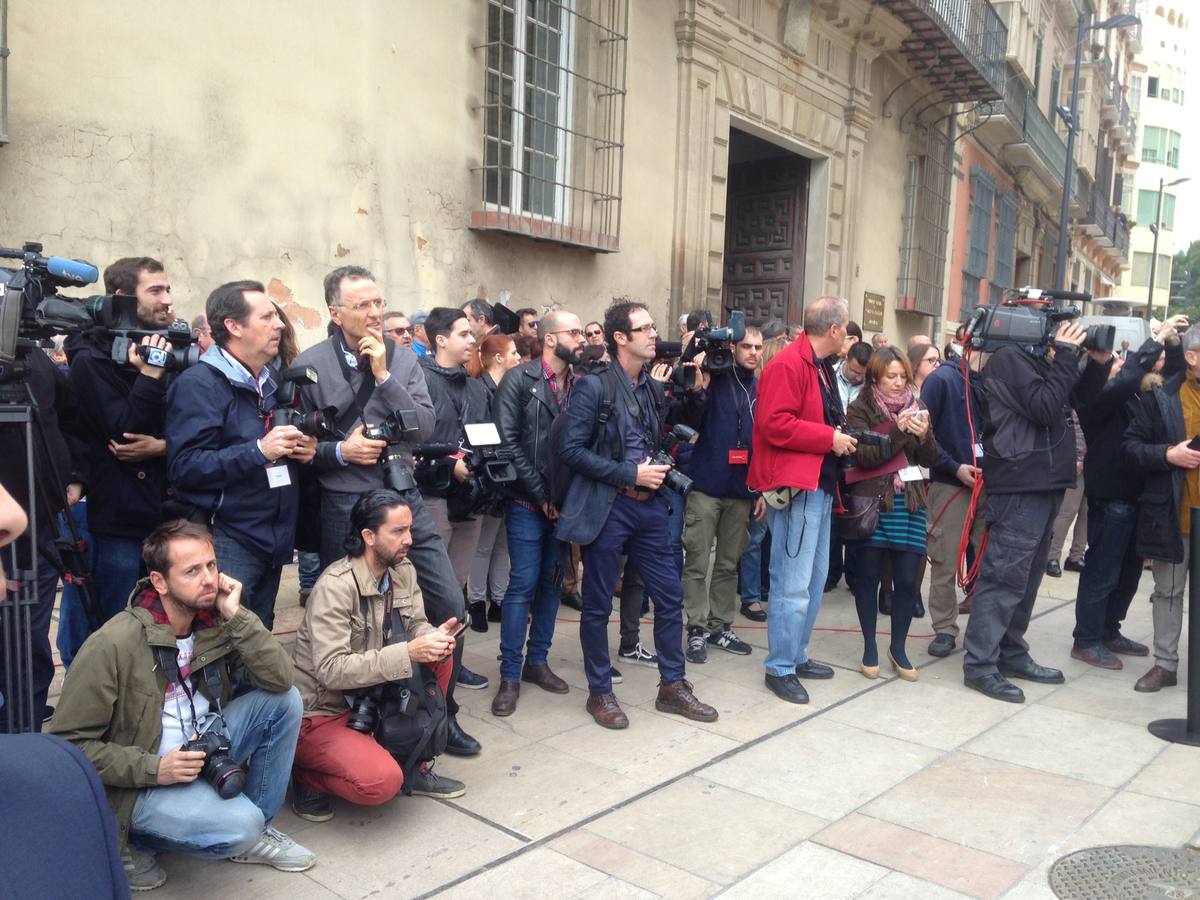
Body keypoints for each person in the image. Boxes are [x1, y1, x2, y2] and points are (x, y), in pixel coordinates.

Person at [49, 520, 313, 891]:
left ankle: (257, 830)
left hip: (202, 746)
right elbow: (69, 746)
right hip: (144, 776)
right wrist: (156, 768)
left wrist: (238, 617)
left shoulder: (214, 622)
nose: (208, 579)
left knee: (285, 701)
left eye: (211, 566)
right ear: (159, 582)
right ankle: (130, 841)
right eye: (192, 571)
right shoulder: (112, 644)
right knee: (240, 825)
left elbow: (280, 679)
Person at [294, 266, 481, 756]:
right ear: (335, 313)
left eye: (378, 303)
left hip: (403, 496)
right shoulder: (310, 364)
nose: (375, 314)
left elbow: (422, 426)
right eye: (362, 306)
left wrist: (382, 375)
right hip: (345, 501)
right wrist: (341, 453)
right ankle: (357, 723)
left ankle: (443, 713)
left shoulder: (401, 357)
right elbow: (295, 449)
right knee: (354, 621)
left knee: (449, 607)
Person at [556, 300, 717, 728]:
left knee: (669, 596)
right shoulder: (593, 386)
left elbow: (669, 432)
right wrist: (630, 472)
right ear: (620, 338)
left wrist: (694, 393)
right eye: (643, 328)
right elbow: (571, 451)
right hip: (609, 506)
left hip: (650, 508)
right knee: (596, 606)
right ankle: (600, 692)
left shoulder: (650, 386)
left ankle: (672, 686)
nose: (653, 334)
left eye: (653, 327)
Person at [290, 491, 465, 822]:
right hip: (327, 710)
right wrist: (408, 651)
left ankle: (414, 761)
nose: (409, 539)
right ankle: (304, 775)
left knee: (440, 656)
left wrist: (432, 637)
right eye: (398, 532)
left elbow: (416, 624)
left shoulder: (402, 569)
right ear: (368, 536)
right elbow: (331, 671)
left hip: (373, 695)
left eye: (410, 529)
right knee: (380, 783)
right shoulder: (335, 586)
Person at [165, 281, 315, 631]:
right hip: (229, 540)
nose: (279, 324)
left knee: (257, 636)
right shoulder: (200, 384)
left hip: (274, 539)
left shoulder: (271, 381)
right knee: (226, 642)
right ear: (233, 327)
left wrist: (302, 450)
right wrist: (259, 450)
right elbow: (184, 468)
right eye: (267, 317)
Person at [962, 321, 1087, 702]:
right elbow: (1046, 407)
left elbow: (1076, 399)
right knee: (1004, 578)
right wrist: (1064, 356)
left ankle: (1011, 651)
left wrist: (1090, 361)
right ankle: (981, 664)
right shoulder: (1008, 360)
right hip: (1020, 485)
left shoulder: (1036, 360)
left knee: (1028, 579)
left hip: (1043, 484)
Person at [748, 296, 857, 704]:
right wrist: (829, 438)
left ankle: (796, 654)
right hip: (799, 487)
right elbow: (774, 424)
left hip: (819, 485)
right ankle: (780, 666)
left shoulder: (819, 366)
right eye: (845, 326)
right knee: (792, 583)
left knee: (811, 581)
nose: (847, 333)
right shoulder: (789, 364)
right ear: (833, 330)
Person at [63, 257, 173, 653]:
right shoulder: (90, 359)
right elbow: (124, 431)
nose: (167, 300)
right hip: (114, 517)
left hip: (162, 512)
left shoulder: (166, 349)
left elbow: (181, 428)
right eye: (156, 290)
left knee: (153, 622)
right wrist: (148, 377)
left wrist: (164, 447)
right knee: (108, 621)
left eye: (168, 289)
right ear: (123, 298)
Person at [1068, 319, 1184, 668]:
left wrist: (1174, 345)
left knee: (1130, 572)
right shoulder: (1099, 398)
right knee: (1102, 570)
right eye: (1115, 362)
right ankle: (1086, 639)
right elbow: (1130, 376)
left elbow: (1173, 378)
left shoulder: (1138, 393)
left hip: (1139, 493)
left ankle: (1109, 630)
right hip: (1112, 494)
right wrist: (1152, 341)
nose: (1121, 365)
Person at [490, 309, 584, 716]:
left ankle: (537, 662)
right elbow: (508, 443)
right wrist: (542, 494)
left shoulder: (581, 384)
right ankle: (509, 674)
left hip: (564, 504)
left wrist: (566, 498)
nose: (581, 339)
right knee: (523, 584)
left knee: (552, 583)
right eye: (574, 332)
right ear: (550, 339)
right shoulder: (520, 379)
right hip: (529, 502)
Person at [844, 347, 937, 681]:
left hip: (909, 503)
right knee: (868, 579)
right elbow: (866, 456)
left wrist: (923, 435)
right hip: (874, 502)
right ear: (875, 378)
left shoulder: (919, 406)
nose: (899, 383)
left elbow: (930, 458)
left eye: (903, 377)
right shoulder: (860, 408)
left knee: (909, 581)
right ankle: (870, 645)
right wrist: (898, 430)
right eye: (891, 377)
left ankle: (898, 647)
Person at [1123, 323, 1200, 692]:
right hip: (1174, 513)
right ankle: (1165, 664)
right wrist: (1168, 454)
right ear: (1191, 356)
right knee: (1168, 591)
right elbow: (1131, 448)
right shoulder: (1162, 395)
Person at [680, 327, 762, 662]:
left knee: (729, 563)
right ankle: (696, 628)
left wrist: (761, 489)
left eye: (758, 347)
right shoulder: (713, 377)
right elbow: (684, 420)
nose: (753, 352)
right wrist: (698, 391)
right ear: (732, 347)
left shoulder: (762, 386)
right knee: (698, 561)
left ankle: (720, 626)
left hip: (742, 489)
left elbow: (765, 441)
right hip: (705, 486)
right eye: (746, 346)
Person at [416, 307, 490, 601]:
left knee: (457, 584)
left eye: (472, 333)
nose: (472, 340)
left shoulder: (476, 387)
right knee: (432, 583)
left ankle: (450, 642)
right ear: (441, 340)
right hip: (431, 491)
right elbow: (413, 440)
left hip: (471, 495)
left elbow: (486, 436)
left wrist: (478, 463)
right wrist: (450, 464)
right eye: (464, 334)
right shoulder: (419, 379)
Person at [921, 350, 986, 657]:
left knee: (987, 562)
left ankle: (983, 629)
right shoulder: (941, 381)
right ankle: (945, 628)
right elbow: (923, 438)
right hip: (951, 485)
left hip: (990, 486)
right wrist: (953, 466)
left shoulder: (994, 382)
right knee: (945, 561)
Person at [466, 334, 522, 630]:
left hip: (509, 475)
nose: (518, 358)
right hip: (491, 474)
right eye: (513, 353)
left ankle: (499, 600)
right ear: (498, 357)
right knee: (484, 543)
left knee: (502, 544)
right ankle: (477, 602)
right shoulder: (479, 389)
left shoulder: (510, 388)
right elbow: (479, 432)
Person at [1045, 411, 1087, 578]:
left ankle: (1076, 556)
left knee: (1086, 511)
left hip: (1094, 461)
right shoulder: (1079, 395)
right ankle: (1051, 556)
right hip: (1076, 460)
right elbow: (1074, 426)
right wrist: (1078, 455)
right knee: (1068, 510)